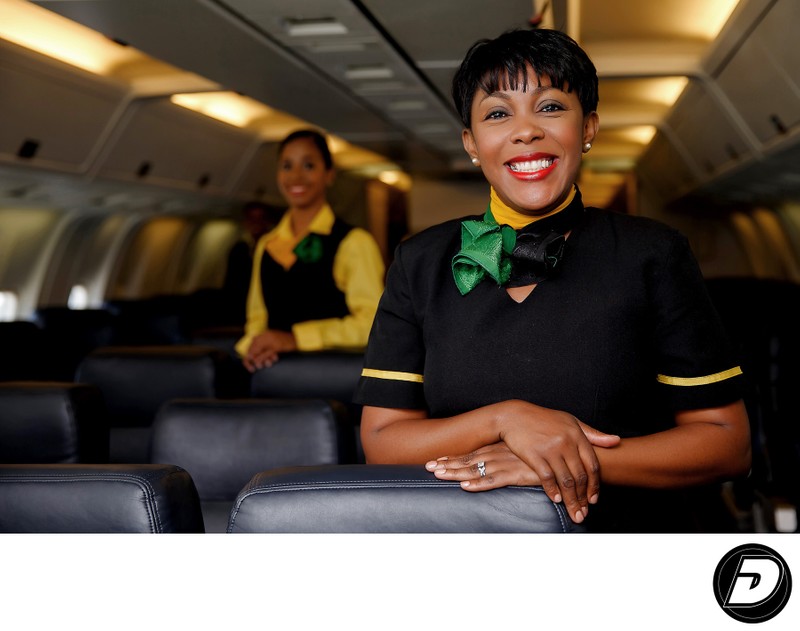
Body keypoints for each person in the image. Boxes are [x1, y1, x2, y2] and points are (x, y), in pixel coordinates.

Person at [353, 28, 751, 532]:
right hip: (471, 546)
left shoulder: (653, 253)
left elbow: (725, 441)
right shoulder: (420, 262)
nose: (525, 131)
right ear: (472, 143)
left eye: (550, 107)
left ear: (588, 127)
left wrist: (555, 462)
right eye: (498, 113)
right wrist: (504, 421)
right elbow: (383, 442)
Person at [236, 129, 385, 373]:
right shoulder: (267, 244)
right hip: (274, 373)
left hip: (331, 375)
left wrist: (296, 338)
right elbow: (257, 318)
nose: (296, 177)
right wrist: (254, 346)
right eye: (287, 166)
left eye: (308, 165)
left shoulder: (353, 242)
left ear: (329, 175)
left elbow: (372, 324)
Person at [222, 200, 283, 326]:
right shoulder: (239, 249)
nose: (256, 223)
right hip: (239, 310)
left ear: (268, 221)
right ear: (245, 222)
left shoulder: (277, 248)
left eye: (261, 218)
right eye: (251, 218)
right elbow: (230, 283)